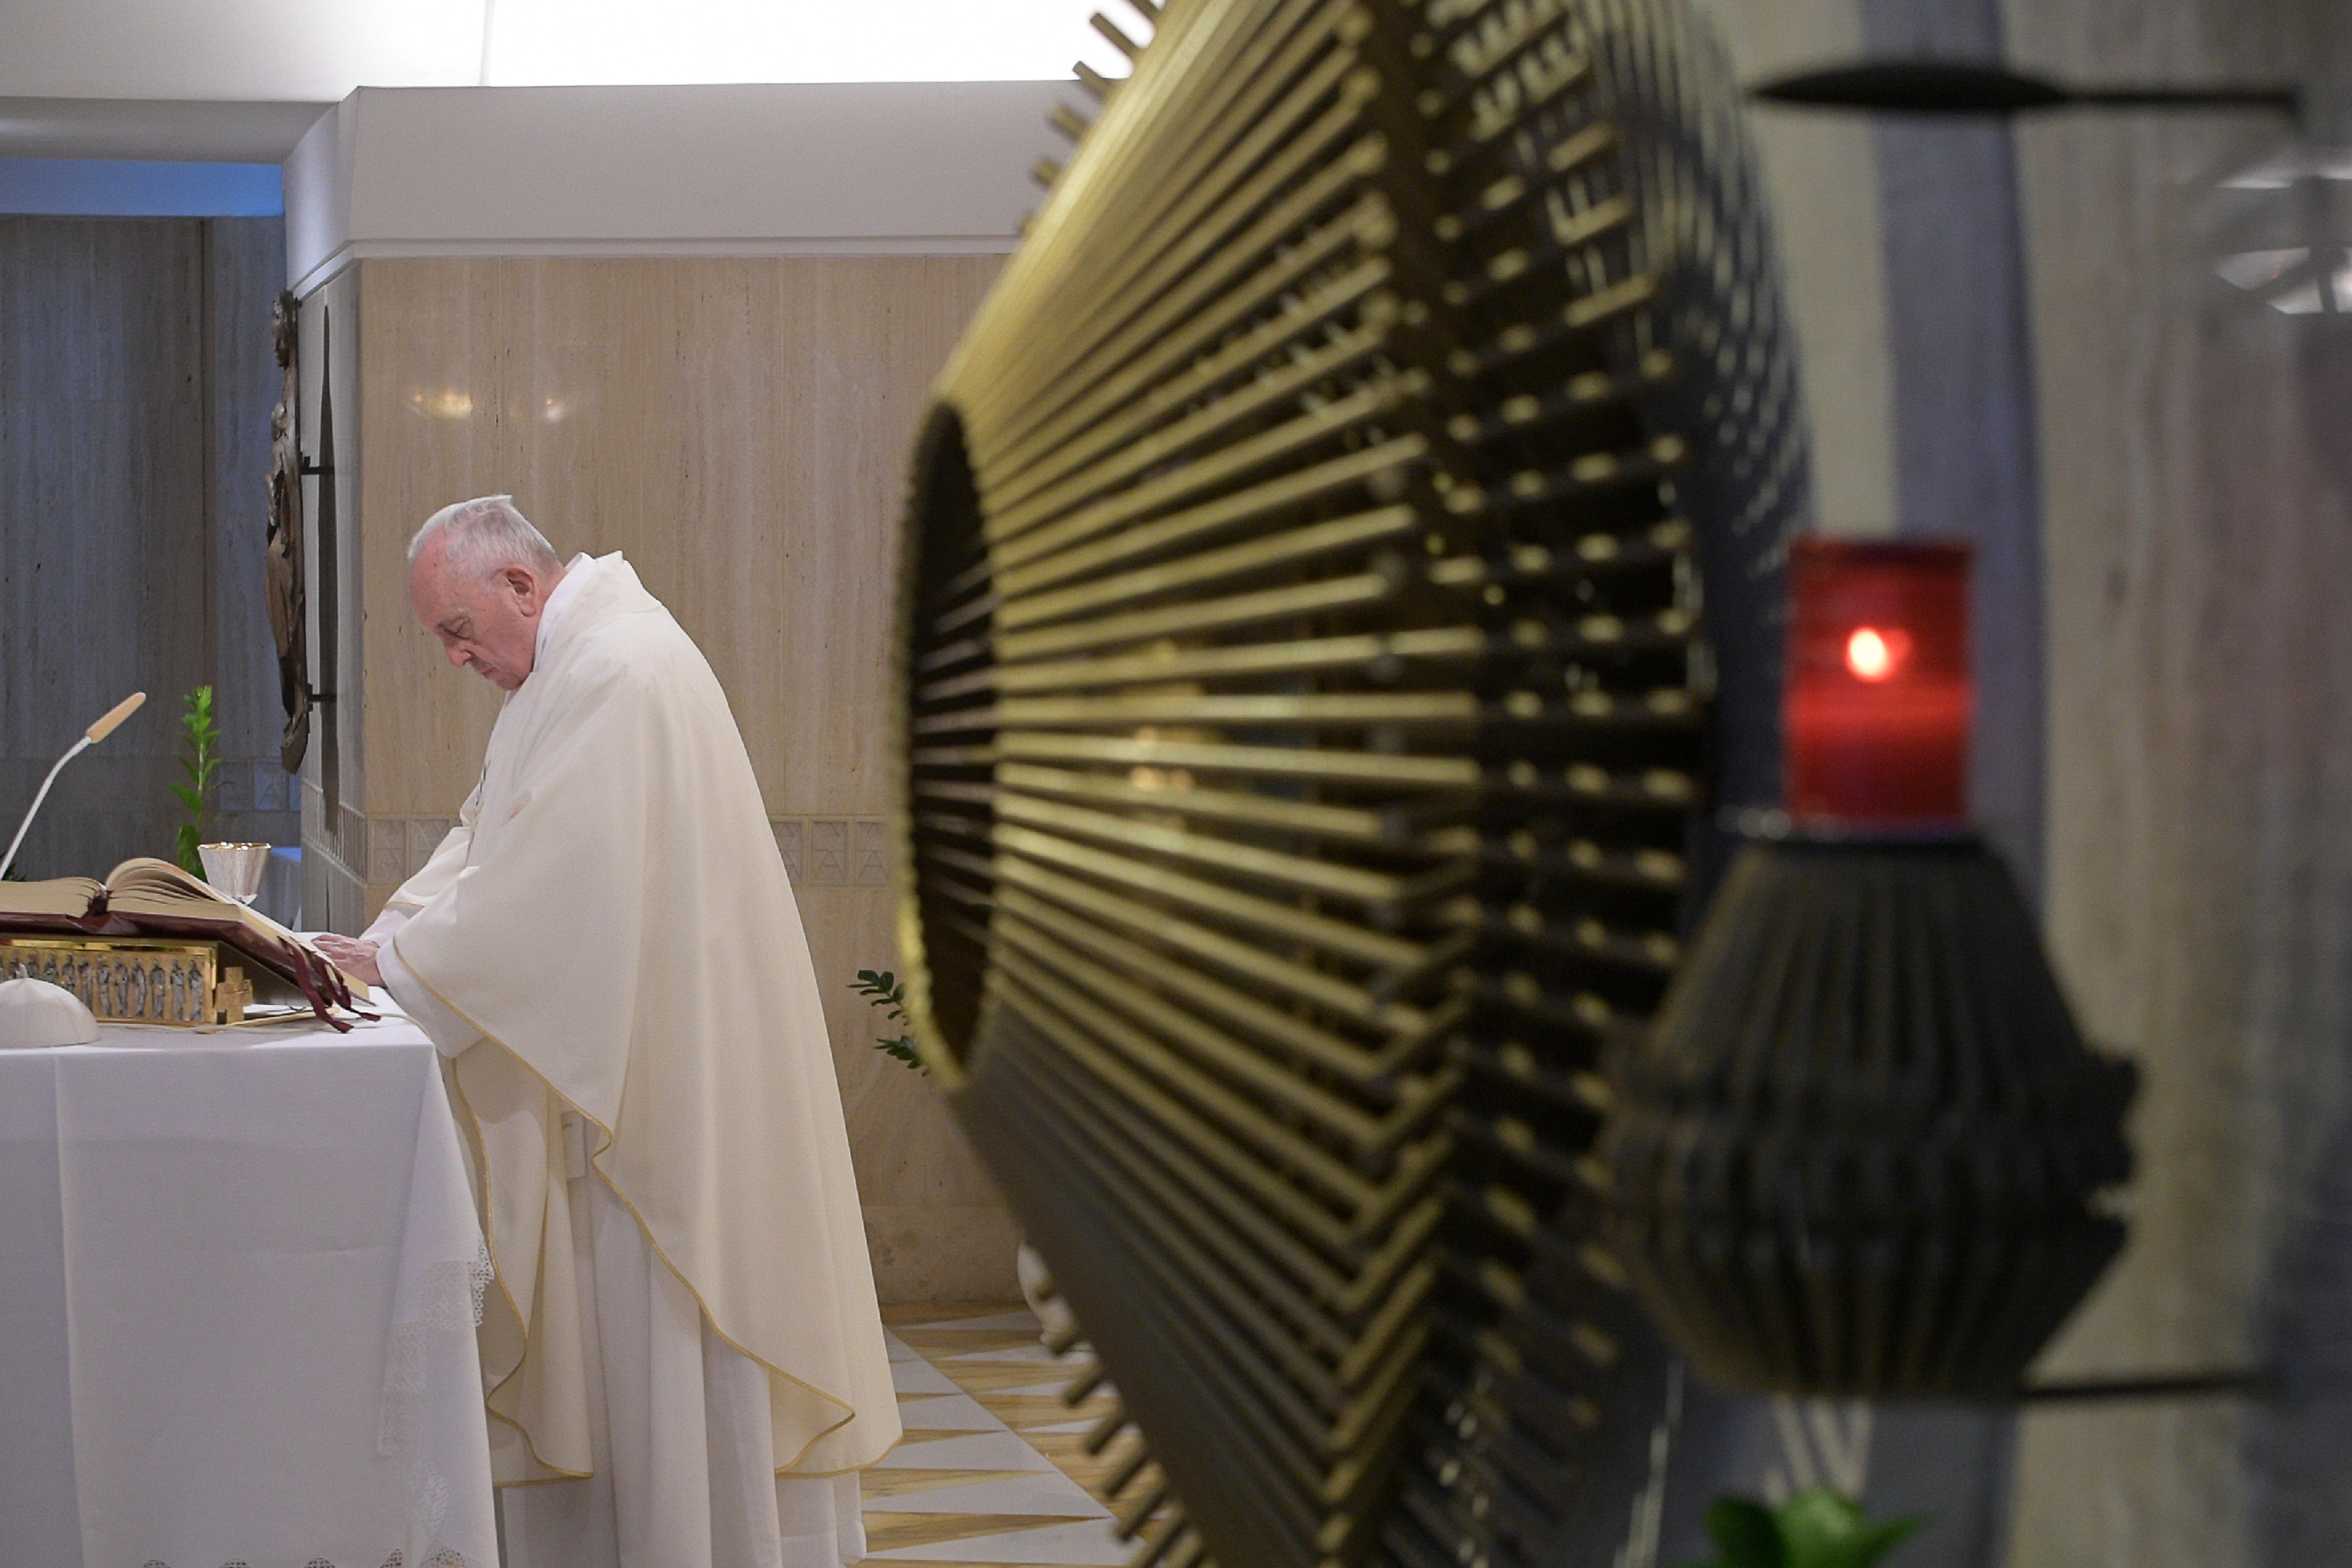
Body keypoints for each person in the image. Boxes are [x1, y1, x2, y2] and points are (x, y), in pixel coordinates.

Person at [316, 496, 898, 1568]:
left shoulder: (617, 669)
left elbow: (554, 887)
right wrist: (392, 937)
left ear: (519, 586)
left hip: (660, 1090)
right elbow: (492, 839)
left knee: (665, 1341)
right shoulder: (568, 668)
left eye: (457, 630)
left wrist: (401, 965)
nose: (455, 658)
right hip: (625, 1060)